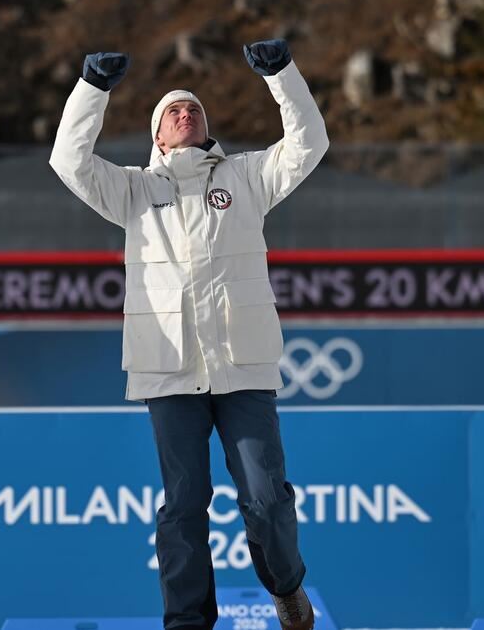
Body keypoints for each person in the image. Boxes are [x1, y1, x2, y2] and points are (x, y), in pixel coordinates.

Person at [50, 39, 327, 630]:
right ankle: (186, 621)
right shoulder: (132, 190)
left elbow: (309, 143)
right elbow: (69, 161)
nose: (185, 113)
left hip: (243, 366)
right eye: (172, 111)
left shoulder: (247, 176)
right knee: (183, 505)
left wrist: (282, 75)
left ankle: (286, 586)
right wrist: (92, 89)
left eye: (193, 108)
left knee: (265, 496)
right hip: (169, 370)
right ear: (157, 137)